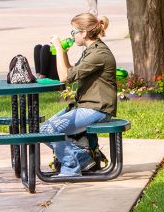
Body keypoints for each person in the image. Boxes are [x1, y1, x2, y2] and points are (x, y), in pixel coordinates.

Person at [41, 13, 117, 176]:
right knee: (44, 129)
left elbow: (64, 77)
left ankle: (71, 166)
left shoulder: (98, 54)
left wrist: (59, 50)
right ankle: (83, 159)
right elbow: (70, 72)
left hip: (98, 109)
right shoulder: (91, 50)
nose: (71, 36)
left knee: (51, 129)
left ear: (84, 33)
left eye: (73, 32)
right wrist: (64, 52)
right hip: (87, 106)